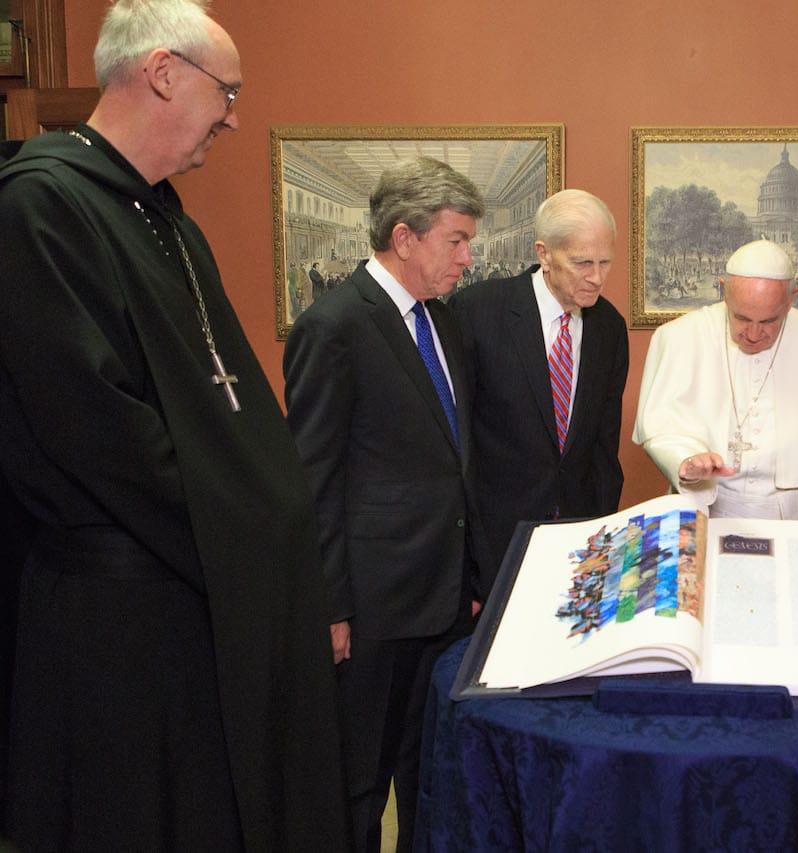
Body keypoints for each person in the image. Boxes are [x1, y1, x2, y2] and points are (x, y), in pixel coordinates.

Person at [0, 0, 348, 848]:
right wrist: (246, 530)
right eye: (225, 93)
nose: (233, 118)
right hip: (119, 619)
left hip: (195, 591)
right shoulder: (39, 208)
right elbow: (93, 430)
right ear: (162, 73)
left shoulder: (163, 217)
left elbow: (222, 400)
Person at [283, 156, 485, 853]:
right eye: (456, 240)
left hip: (442, 600)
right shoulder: (333, 326)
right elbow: (314, 477)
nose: (467, 256)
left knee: (428, 775)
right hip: (369, 607)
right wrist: (330, 605)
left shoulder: (444, 323)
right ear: (405, 237)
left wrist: (474, 579)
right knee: (358, 785)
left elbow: (454, 465)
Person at [449, 189, 628, 574]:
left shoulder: (609, 327)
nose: (597, 278)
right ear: (544, 253)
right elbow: (458, 441)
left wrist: (601, 537)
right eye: (582, 262)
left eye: (605, 262)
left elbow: (603, 448)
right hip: (496, 542)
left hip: (579, 542)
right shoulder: (478, 311)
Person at [633, 239, 798, 520]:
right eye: (742, 318)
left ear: (792, 298)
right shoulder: (678, 338)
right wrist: (685, 458)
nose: (753, 333)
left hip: (796, 517)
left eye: (769, 321)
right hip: (705, 509)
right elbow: (660, 427)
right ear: (724, 291)